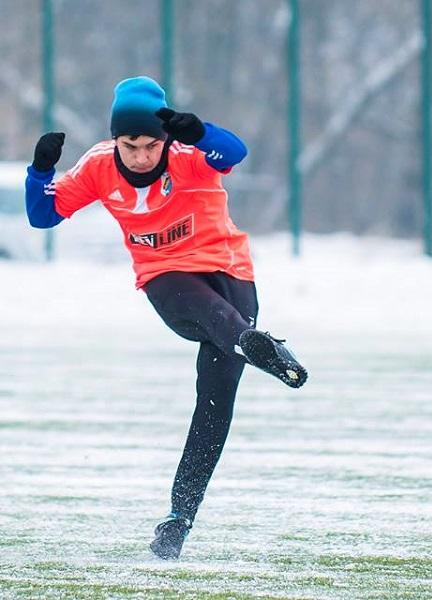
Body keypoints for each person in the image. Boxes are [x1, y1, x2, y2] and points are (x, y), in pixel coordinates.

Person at [24, 76, 308, 560]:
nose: (139, 155)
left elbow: (233, 152)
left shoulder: (186, 153)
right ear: (116, 140)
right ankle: (253, 342)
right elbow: (42, 216)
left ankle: (178, 521)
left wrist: (199, 133)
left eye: (150, 144)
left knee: (214, 403)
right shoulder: (97, 167)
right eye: (129, 145)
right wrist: (40, 169)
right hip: (166, 278)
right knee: (218, 320)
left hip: (230, 269)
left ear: (164, 139)